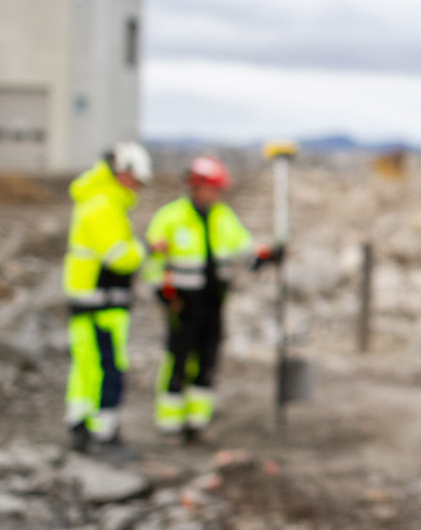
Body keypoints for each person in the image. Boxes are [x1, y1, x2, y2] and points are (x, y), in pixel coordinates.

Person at [145, 155, 282, 439]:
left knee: (207, 360)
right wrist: (162, 289)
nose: (217, 194)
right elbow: (153, 261)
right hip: (181, 302)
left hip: (213, 301)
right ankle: (170, 422)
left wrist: (266, 255)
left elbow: (244, 246)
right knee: (178, 358)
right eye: (213, 188)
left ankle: (197, 421)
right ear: (196, 186)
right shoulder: (170, 217)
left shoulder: (222, 216)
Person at [63, 142, 152, 452]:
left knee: (86, 366)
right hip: (102, 301)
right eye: (136, 180)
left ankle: (80, 423)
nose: (138, 188)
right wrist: (146, 249)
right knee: (107, 366)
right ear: (123, 173)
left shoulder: (98, 200)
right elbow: (120, 257)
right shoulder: (104, 205)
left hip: (90, 298)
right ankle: (104, 433)